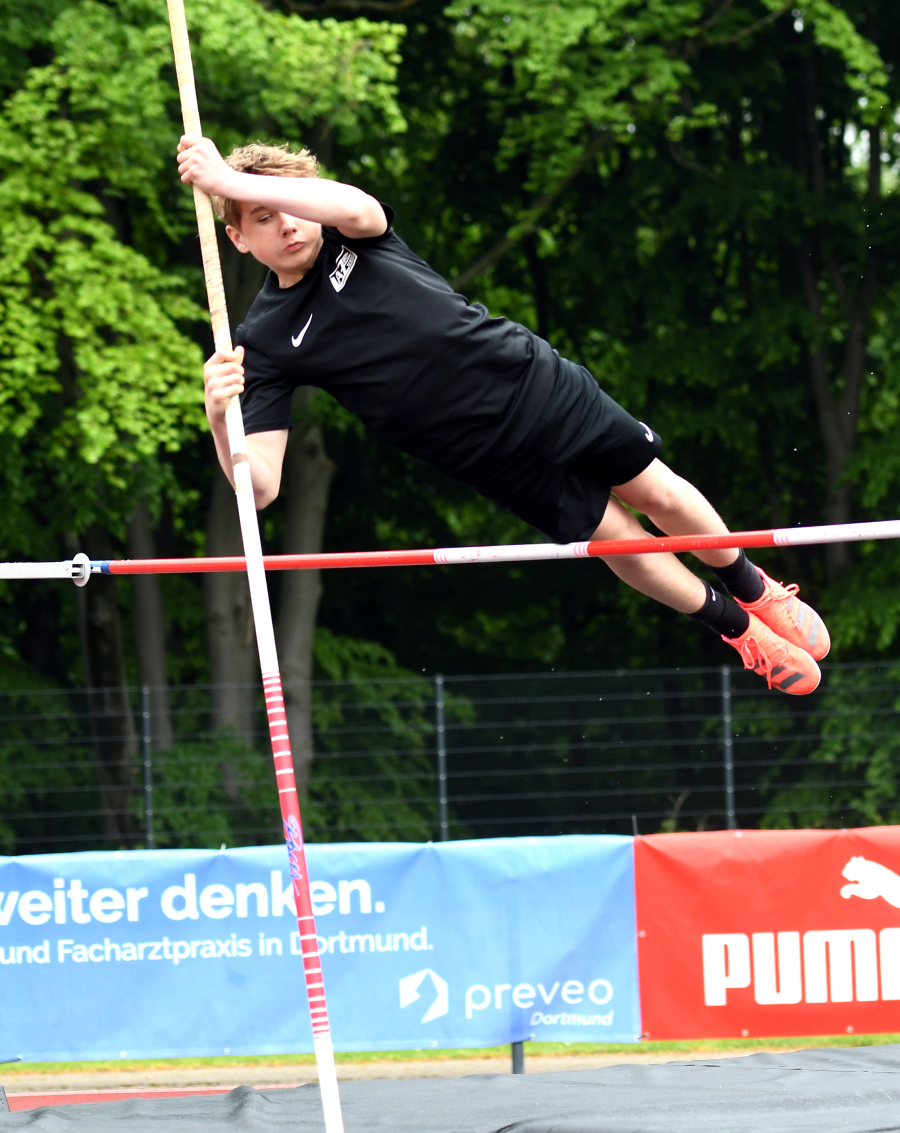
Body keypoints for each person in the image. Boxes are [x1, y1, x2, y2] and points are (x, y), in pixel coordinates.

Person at [177, 136, 829, 695]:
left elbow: (355, 204)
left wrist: (228, 180)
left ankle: (754, 586)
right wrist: (218, 417)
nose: (287, 224)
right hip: (479, 451)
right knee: (614, 539)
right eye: (263, 217)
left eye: (292, 203)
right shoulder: (262, 342)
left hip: (529, 384)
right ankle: (742, 633)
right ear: (236, 238)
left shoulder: (355, 235)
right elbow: (258, 488)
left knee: (655, 489)